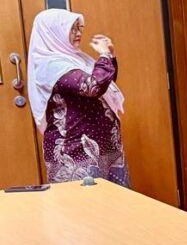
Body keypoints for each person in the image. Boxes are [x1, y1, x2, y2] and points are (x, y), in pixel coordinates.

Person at [27, 9, 129, 186]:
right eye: (72, 29)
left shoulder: (76, 58)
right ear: (53, 32)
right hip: (75, 151)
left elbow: (105, 85)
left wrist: (110, 57)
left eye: (79, 27)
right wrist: (103, 56)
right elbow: (92, 86)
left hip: (104, 146)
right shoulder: (51, 64)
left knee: (114, 207)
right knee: (83, 208)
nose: (79, 33)